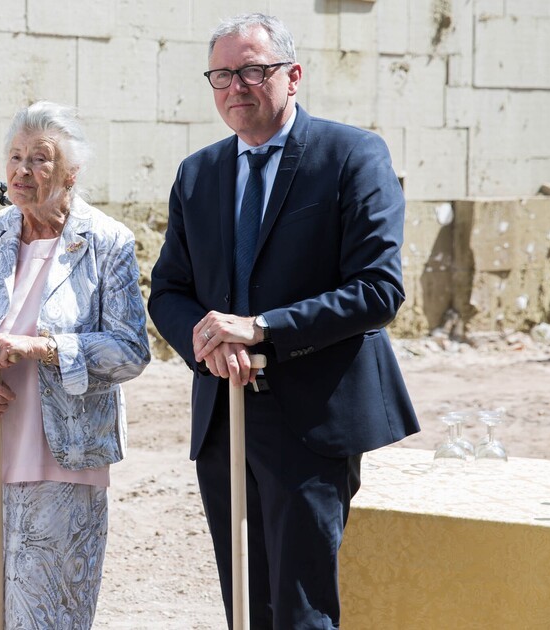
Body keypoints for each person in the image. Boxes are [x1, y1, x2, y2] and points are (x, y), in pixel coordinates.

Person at [147, 13, 420, 629]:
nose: (236, 86)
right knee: (244, 602)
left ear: (292, 76)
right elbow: (168, 290)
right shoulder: (199, 173)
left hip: (311, 417)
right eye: (222, 74)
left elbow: (378, 290)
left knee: (300, 609)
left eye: (253, 70)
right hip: (225, 411)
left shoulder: (351, 155)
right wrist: (209, 341)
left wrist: (261, 327)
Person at [0, 101, 151, 629]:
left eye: (40, 159)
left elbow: (130, 349)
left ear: (71, 173)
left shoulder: (106, 241)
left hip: (64, 458)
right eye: (15, 157)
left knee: (49, 615)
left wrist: (45, 349)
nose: (23, 171)